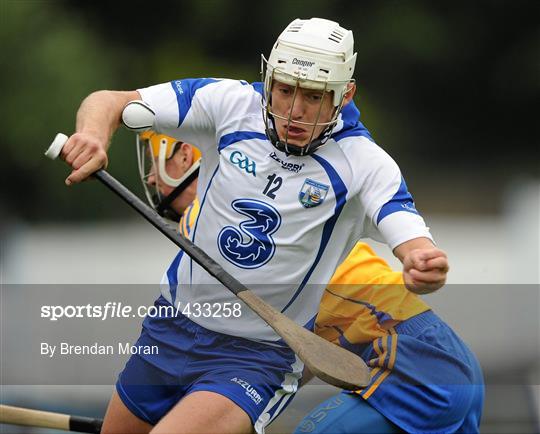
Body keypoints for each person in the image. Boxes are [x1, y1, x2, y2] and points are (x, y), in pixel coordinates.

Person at [61, 17, 451, 434]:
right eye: (284, 90)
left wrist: (422, 262)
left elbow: (411, 237)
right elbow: (110, 101)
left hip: (256, 356)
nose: (294, 111)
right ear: (269, 78)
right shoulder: (228, 102)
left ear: (345, 94)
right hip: (169, 328)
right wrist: (93, 136)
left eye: (315, 97)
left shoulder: (364, 163)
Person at [136, 132, 484, 433]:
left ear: (185, 156)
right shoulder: (274, 213)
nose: (151, 178)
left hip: (412, 363)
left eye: (155, 163)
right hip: (444, 359)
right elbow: (294, 364)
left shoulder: (210, 225)